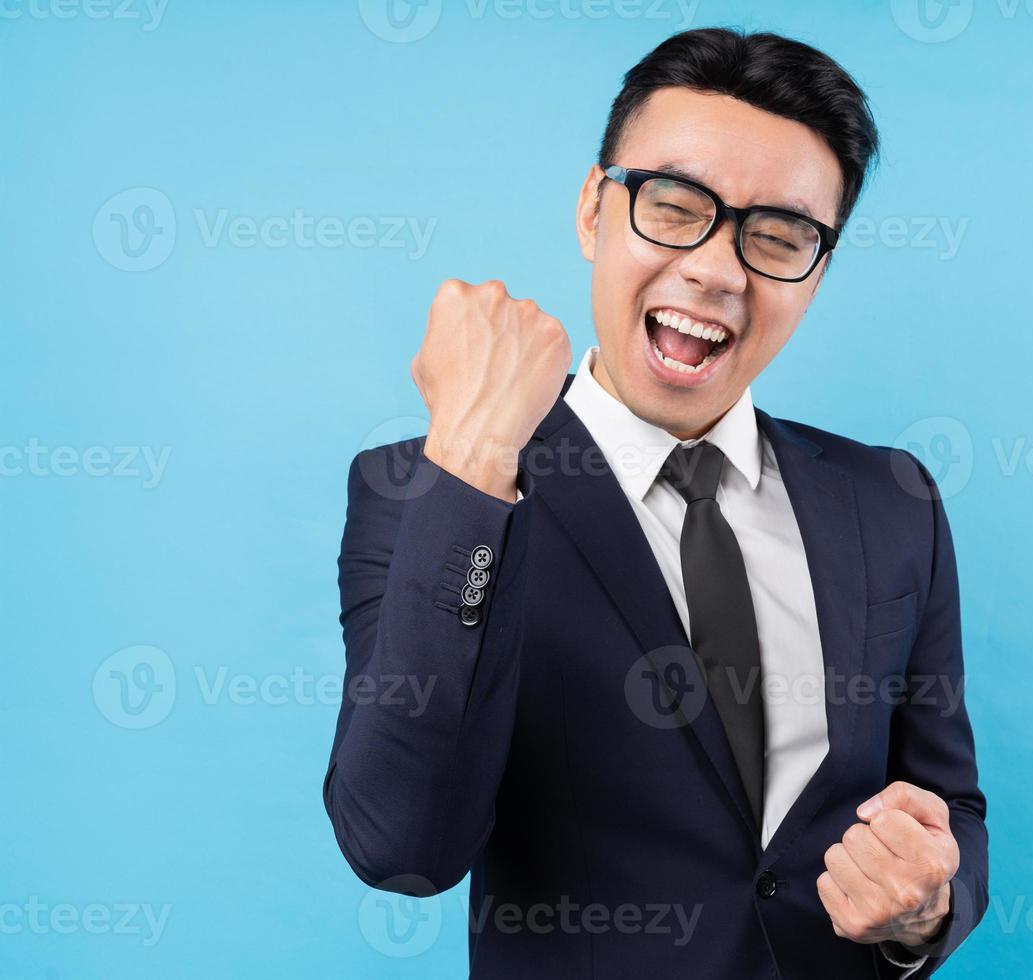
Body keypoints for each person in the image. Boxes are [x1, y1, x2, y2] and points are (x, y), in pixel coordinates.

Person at [324, 27, 988, 979]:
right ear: (596, 210)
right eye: (675, 206)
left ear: (820, 268)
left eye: (779, 236)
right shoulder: (425, 492)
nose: (718, 269)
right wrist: (472, 461)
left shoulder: (892, 502)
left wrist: (928, 908)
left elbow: (947, 808)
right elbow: (402, 844)